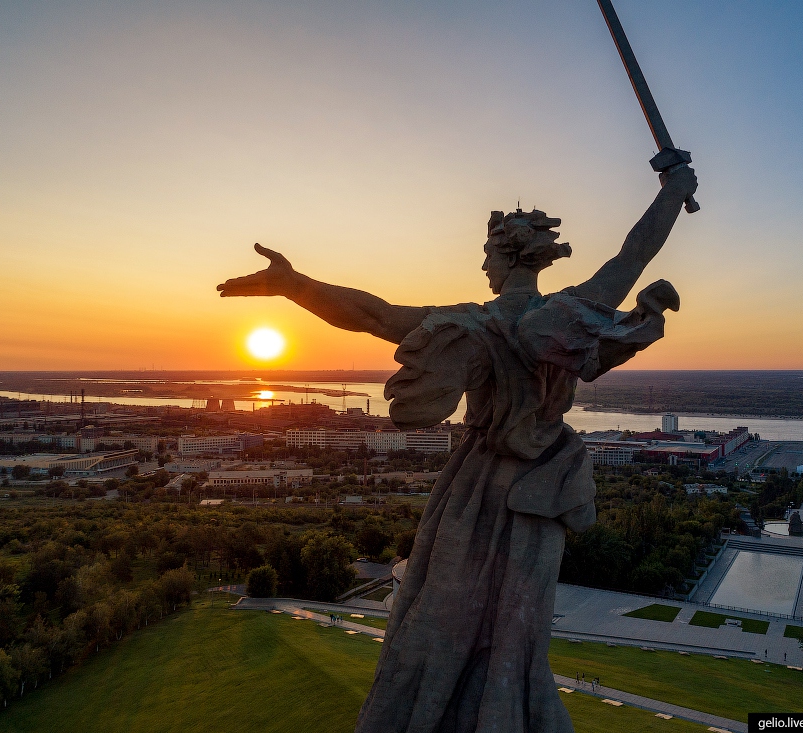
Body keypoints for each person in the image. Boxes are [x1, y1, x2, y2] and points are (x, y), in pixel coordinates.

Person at [218, 167, 698, 733]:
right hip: (542, 489)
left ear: (508, 256)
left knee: (449, 618)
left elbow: (374, 315)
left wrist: (294, 285)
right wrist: (671, 193)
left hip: (478, 489)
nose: (484, 268)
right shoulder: (575, 312)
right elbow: (631, 257)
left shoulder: (473, 323)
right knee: (515, 625)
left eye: (488, 256)